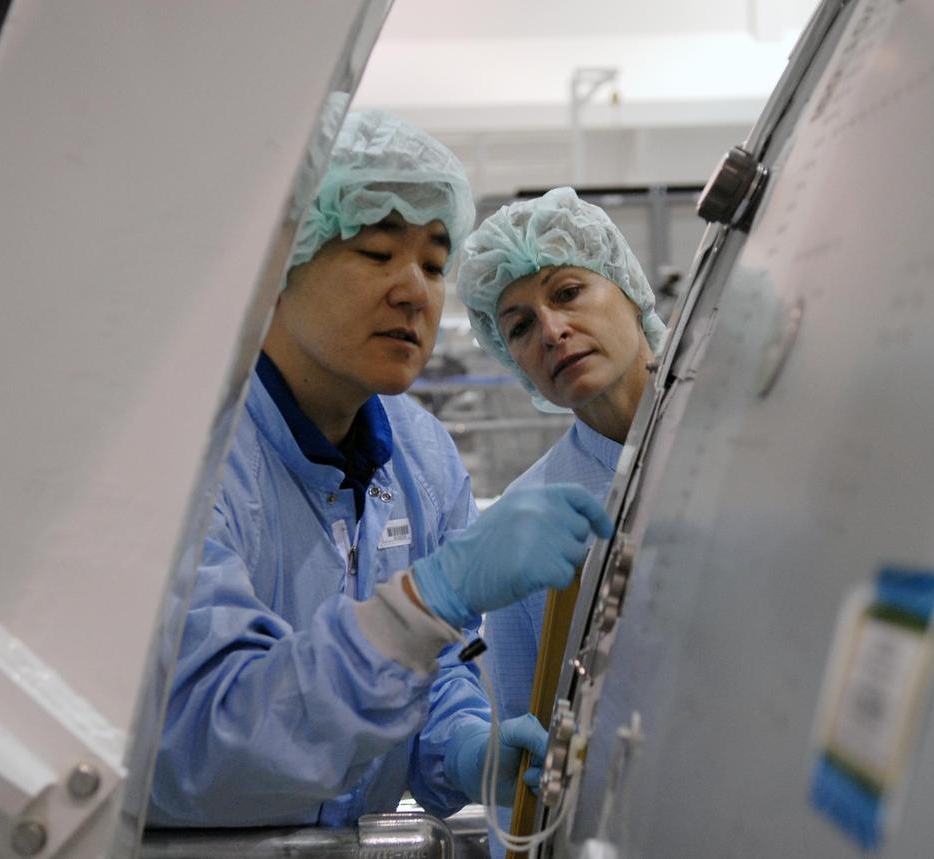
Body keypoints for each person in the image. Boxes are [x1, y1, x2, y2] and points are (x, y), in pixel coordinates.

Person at [148, 103, 612, 828]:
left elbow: (434, 677)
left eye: (433, 262)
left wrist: (464, 746)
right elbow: (206, 742)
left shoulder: (421, 458)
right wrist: (429, 596)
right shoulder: (191, 458)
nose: (415, 290)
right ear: (279, 262)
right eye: (376, 252)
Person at [455, 186, 667, 845]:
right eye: (519, 325)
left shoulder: (747, 433)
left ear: (628, 287)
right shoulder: (527, 517)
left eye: (568, 292)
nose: (551, 330)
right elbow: (525, 761)